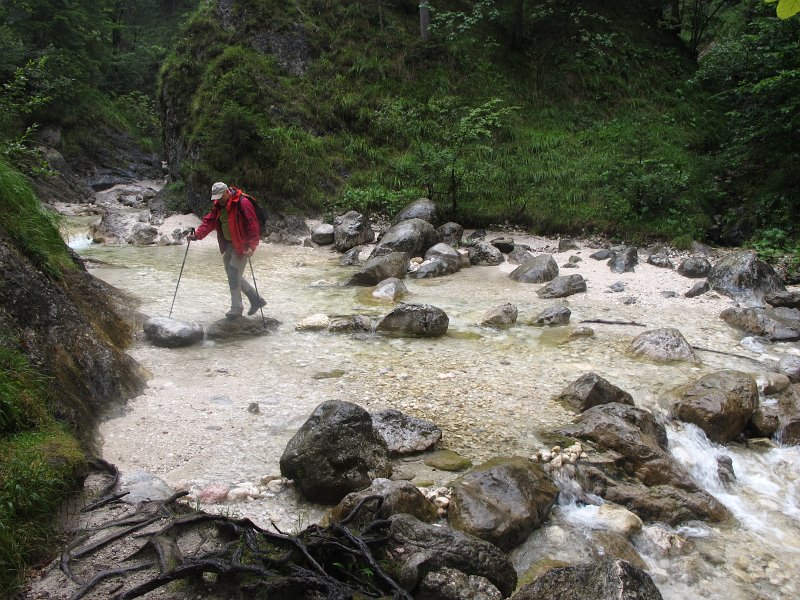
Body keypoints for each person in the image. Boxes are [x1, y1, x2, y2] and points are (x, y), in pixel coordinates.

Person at [187, 182, 267, 319]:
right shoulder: (219, 205)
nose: (217, 200)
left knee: (233, 275)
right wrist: (197, 235)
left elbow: (252, 225)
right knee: (233, 275)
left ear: (226, 192)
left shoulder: (243, 203)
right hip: (229, 244)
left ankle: (236, 308)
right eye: (215, 197)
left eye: (219, 196)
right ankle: (256, 299)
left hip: (241, 245)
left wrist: (251, 246)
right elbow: (209, 221)